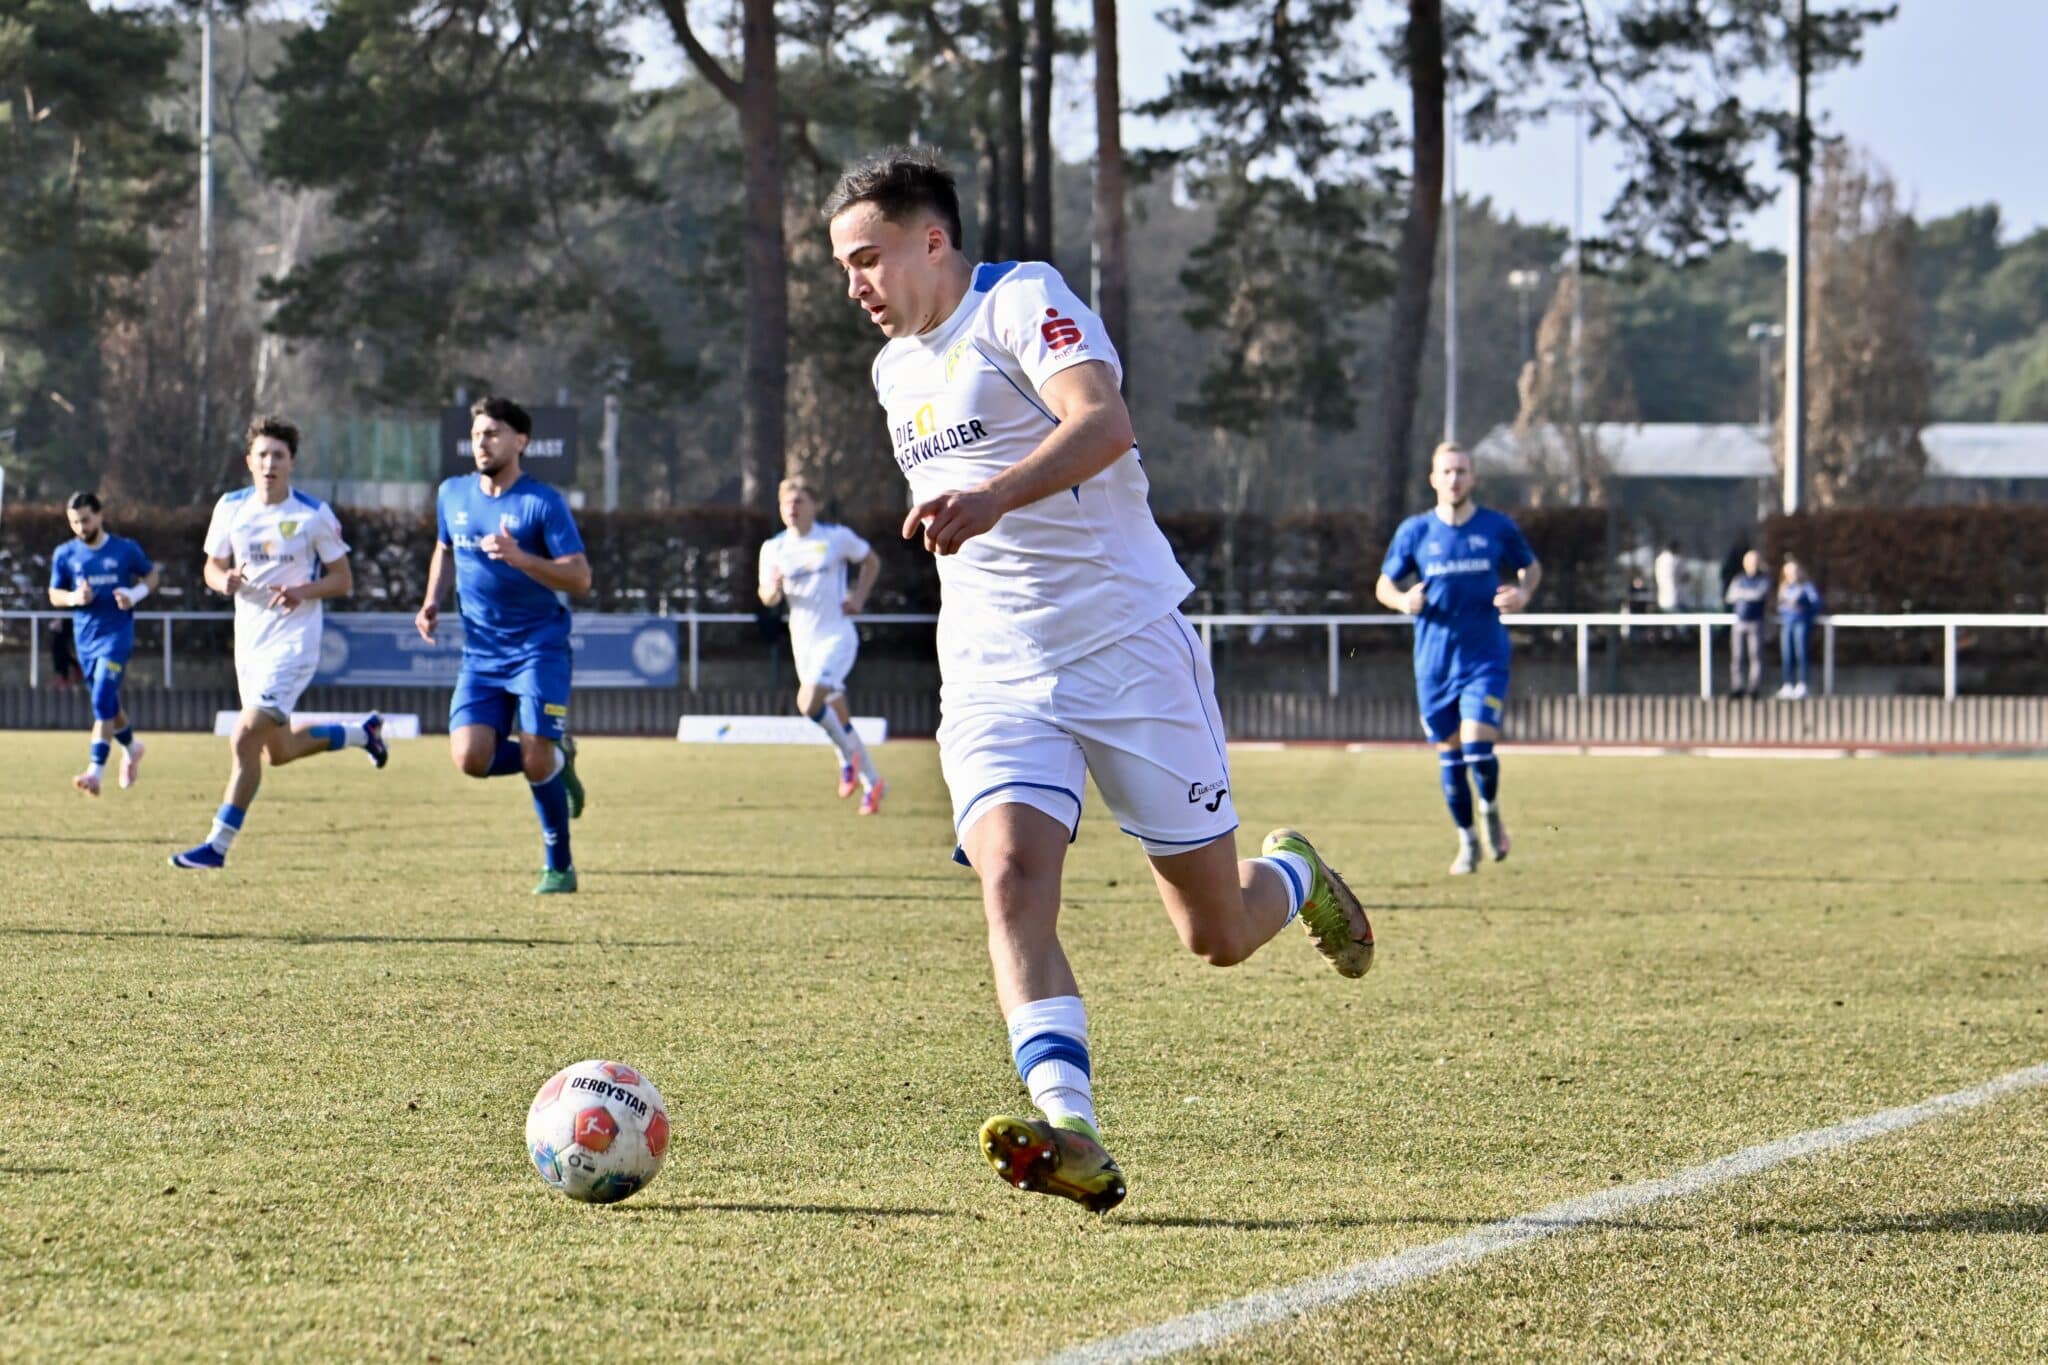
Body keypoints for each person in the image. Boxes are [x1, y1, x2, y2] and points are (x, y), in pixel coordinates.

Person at [826, 145, 1373, 1214]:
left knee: (1213, 933)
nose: (855, 285)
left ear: (930, 240)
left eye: (867, 258)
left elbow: (1102, 423)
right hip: (993, 667)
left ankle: (1296, 875)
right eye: (845, 266)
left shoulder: (1022, 301)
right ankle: (1070, 1125)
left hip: (1126, 648)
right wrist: (973, 520)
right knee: (1009, 880)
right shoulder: (894, 372)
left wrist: (990, 498)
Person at [172, 417, 388, 869]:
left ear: (291, 463)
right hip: (249, 644)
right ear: (249, 461)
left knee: (244, 736)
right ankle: (361, 733)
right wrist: (223, 581)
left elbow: (342, 580)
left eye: (279, 456)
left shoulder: (312, 515)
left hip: (294, 643)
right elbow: (211, 567)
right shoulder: (230, 508)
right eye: (263, 455)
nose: (270, 463)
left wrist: (302, 592)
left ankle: (217, 845)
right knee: (278, 752)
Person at [415, 396, 592, 894]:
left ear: (521, 441)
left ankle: (559, 866)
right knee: (470, 758)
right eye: (477, 434)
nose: (482, 442)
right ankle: (558, 760)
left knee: (534, 754)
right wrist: (432, 600)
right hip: (481, 653)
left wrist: (522, 558)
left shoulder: (542, 503)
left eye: (493, 433)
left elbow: (580, 578)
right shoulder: (452, 494)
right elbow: (444, 549)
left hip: (539, 646)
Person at [1375, 442, 1542, 877]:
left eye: (1462, 471)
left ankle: (1489, 807)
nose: (1454, 479)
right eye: (1447, 471)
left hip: (1485, 657)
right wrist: (1401, 601)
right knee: (1449, 758)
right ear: (1433, 478)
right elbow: (1383, 584)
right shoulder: (1415, 532)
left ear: (1474, 478)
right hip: (1433, 664)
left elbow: (1530, 566)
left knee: (1476, 748)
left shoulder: (1496, 527)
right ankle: (1467, 842)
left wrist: (1523, 593)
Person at [757, 475, 885, 813]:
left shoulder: (835, 538)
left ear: (814, 505)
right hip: (804, 643)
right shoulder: (773, 548)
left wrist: (858, 598)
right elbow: (766, 597)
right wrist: (773, 590)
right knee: (839, 719)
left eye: (799, 501)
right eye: (786, 503)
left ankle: (847, 760)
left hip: (836, 636)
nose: (792, 508)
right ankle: (873, 782)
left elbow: (871, 561)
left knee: (807, 702)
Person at [48, 492, 158, 795]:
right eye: (74, 522)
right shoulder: (65, 554)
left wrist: (134, 595)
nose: (80, 527)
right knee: (107, 702)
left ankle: (95, 772)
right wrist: (74, 598)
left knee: (102, 697)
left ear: (99, 516)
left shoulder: (124, 550)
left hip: (117, 637)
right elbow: (54, 594)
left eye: (85, 520)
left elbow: (151, 576)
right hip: (85, 641)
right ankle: (133, 747)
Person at [1724, 549, 1771, 699]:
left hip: (1756, 621)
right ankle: (1737, 686)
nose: (1753, 565)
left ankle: (1753, 688)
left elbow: (1758, 595)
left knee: (1755, 655)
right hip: (1740, 621)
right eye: (1750, 562)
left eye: (1755, 562)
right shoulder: (1739, 579)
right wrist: (1748, 594)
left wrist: (1743, 594)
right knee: (1737, 656)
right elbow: (1730, 596)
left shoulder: (1763, 579)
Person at [1776, 556, 1823, 700]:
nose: (1792, 575)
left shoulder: (1806, 587)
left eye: (1794, 572)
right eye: (1789, 572)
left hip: (1801, 623)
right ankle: (1788, 684)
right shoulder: (1784, 588)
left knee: (1801, 653)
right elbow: (1779, 606)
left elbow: (1817, 604)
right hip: (1787, 624)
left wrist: (1804, 611)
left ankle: (1802, 684)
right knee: (1787, 654)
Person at [1653, 540, 1685, 612]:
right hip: (1675, 599)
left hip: (1662, 600)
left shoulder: (1659, 559)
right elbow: (1685, 576)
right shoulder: (1676, 560)